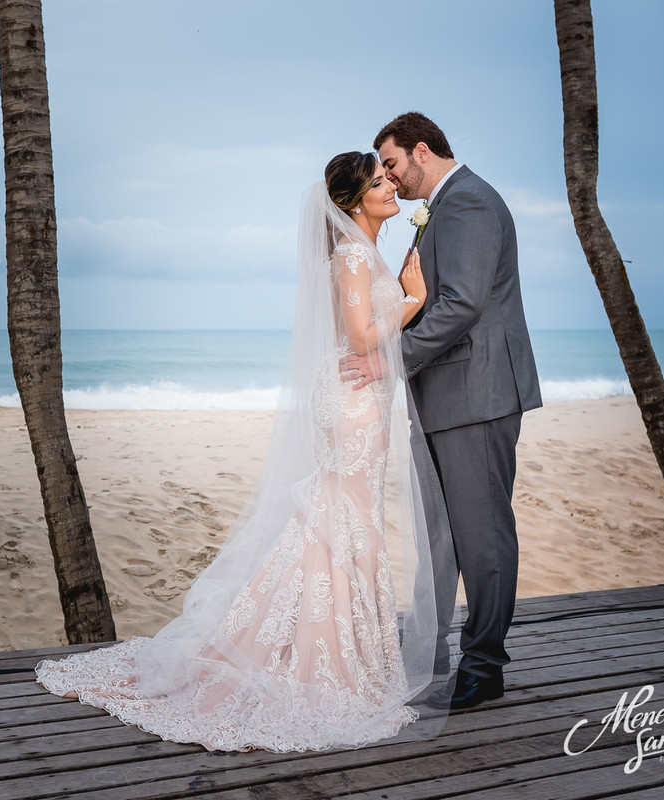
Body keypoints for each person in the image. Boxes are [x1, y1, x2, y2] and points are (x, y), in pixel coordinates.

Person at [35, 152, 456, 752]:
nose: (392, 188)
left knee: (344, 514)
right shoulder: (355, 257)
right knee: (343, 515)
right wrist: (413, 299)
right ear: (350, 202)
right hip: (352, 404)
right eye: (379, 182)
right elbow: (363, 336)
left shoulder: (363, 254)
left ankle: (335, 647)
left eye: (390, 179)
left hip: (357, 398)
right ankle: (317, 654)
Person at [343, 112, 542, 710]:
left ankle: (484, 667)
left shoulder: (470, 204)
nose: (391, 179)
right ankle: (429, 651)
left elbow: (461, 305)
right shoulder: (446, 207)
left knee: (481, 534)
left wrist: (389, 361)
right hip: (443, 393)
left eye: (394, 164)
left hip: (476, 394)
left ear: (422, 151)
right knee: (440, 534)